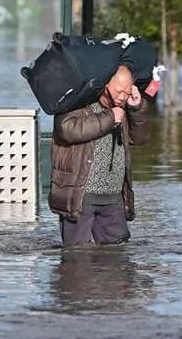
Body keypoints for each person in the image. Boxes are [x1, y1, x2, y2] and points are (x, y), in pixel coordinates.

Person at [48, 64, 150, 246]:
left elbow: (140, 138)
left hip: (113, 197)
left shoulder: (125, 108)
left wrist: (136, 108)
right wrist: (110, 117)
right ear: (104, 84)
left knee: (116, 260)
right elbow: (67, 130)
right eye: (119, 91)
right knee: (77, 260)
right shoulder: (78, 100)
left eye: (127, 92)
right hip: (80, 196)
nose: (122, 97)